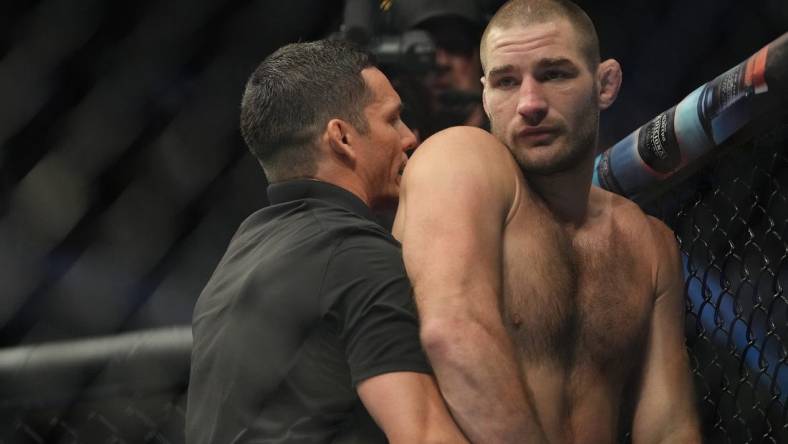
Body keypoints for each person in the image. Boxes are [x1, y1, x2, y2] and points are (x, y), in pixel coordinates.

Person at [393, 0, 702, 442]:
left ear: (605, 84)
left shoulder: (648, 244)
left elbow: (669, 427)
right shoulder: (460, 160)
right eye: (506, 82)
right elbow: (453, 336)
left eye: (554, 74)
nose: (530, 104)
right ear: (485, 95)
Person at [186, 40, 466, 443]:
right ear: (342, 137)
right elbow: (422, 434)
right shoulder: (355, 254)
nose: (410, 138)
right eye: (394, 119)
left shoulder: (244, 252)